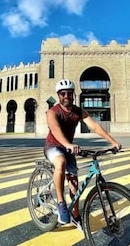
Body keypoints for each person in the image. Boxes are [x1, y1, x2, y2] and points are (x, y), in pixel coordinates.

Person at [44, 79, 122, 227]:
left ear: (74, 94)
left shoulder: (78, 112)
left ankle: (76, 216)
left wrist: (113, 142)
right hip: (53, 146)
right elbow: (55, 130)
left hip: (69, 148)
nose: (66, 96)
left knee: (74, 185)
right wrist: (67, 144)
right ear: (58, 95)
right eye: (63, 93)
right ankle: (61, 204)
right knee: (60, 162)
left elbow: (95, 126)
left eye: (69, 93)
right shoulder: (52, 112)